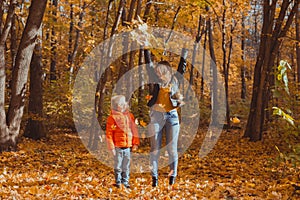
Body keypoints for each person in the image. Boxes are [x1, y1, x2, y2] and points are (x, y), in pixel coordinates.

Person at [146, 50, 187, 187]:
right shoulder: (155, 81)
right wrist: (145, 49)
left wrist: (185, 52)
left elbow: (182, 68)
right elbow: (148, 66)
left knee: (172, 149)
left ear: (166, 70)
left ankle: (172, 176)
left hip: (172, 117)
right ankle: (154, 179)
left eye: (160, 70)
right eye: (156, 70)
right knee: (155, 149)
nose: (157, 72)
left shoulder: (175, 80)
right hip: (156, 117)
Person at [106, 95, 140, 189]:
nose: (125, 106)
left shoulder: (130, 116)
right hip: (118, 146)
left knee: (126, 165)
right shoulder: (112, 118)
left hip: (128, 146)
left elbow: (134, 130)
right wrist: (111, 147)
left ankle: (125, 182)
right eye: (122, 104)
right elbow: (109, 133)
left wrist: (135, 143)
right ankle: (118, 182)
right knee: (118, 166)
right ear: (117, 106)